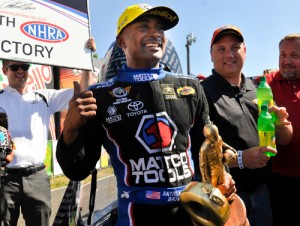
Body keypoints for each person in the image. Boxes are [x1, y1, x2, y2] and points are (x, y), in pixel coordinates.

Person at [55, 4, 236, 226]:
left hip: (190, 214)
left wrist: (223, 173)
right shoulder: (100, 96)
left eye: (160, 28)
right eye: (143, 26)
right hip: (135, 216)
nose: (154, 33)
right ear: (122, 41)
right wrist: (71, 129)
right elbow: (77, 170)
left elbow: (207, 148)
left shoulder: (190, 87)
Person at [200, 25, 293, 226]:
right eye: (221, 49)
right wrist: (241, 159)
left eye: (235, 47)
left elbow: (285, 138)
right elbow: (197, 155)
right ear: (211, 55)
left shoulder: (258, 88)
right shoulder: (201, 93)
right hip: (227, 198)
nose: (229, 55)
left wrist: (281, 122)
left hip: (262, 192)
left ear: (245, 51)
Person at [0, 38, 96, 226]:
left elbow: (83, 90)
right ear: (4, 71)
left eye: (25, 66)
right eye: (15, 67)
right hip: (5, 179)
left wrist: (87, 60)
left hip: (37, 177)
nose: (21, 71)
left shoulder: (44, 96)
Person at [263, 33, 300, 226]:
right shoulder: (267, 84)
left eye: (294, 55)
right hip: (279, 183)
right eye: (283, 55)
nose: (286, 61)